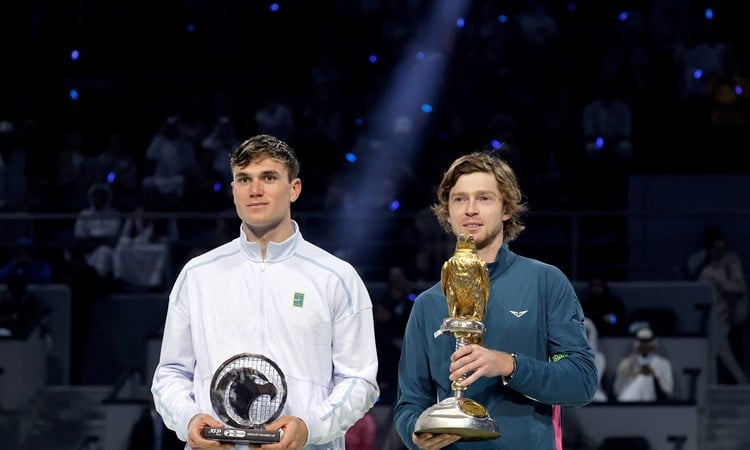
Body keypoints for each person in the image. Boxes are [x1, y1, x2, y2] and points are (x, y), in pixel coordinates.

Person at [151, 134, 379, 450]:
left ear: (294, 189)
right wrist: (188, 418)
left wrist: (309, 427)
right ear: (233, 190)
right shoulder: (197, 275)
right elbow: (170, 374)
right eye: (244, 179)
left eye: (268, 178)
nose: (255, 190)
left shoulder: (336, 277)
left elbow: (359, 380)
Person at [393, 151, 598, 450]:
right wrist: (416, 433)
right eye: (460, 199)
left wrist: (507, 365)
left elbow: (581, 382)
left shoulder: (545, 282)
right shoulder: (428, 303)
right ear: (447, 213)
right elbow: (409, 404)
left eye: (484, 198)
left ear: (506, 209)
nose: (471, 210)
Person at [691, 225, 749, 384]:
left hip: (729, 312)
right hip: (708, 314)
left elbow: (739, 288)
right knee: (720, 349)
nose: (718, 249)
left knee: (721, 349)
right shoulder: (700, 261)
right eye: (714, 245)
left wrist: (723, 283)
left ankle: (737, 382)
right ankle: (740, 382)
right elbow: (694, 285)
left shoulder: (731, 260)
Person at [612, 327, 674, 402]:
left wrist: (654, 377)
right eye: (642, 342)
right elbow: (617, 390)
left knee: (645, 378)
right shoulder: (626, 363)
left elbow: (668, 391)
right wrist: (634, 375)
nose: (645, 345)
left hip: (654, 400)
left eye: (647, 342)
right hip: (629, 400)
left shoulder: (664, 364)